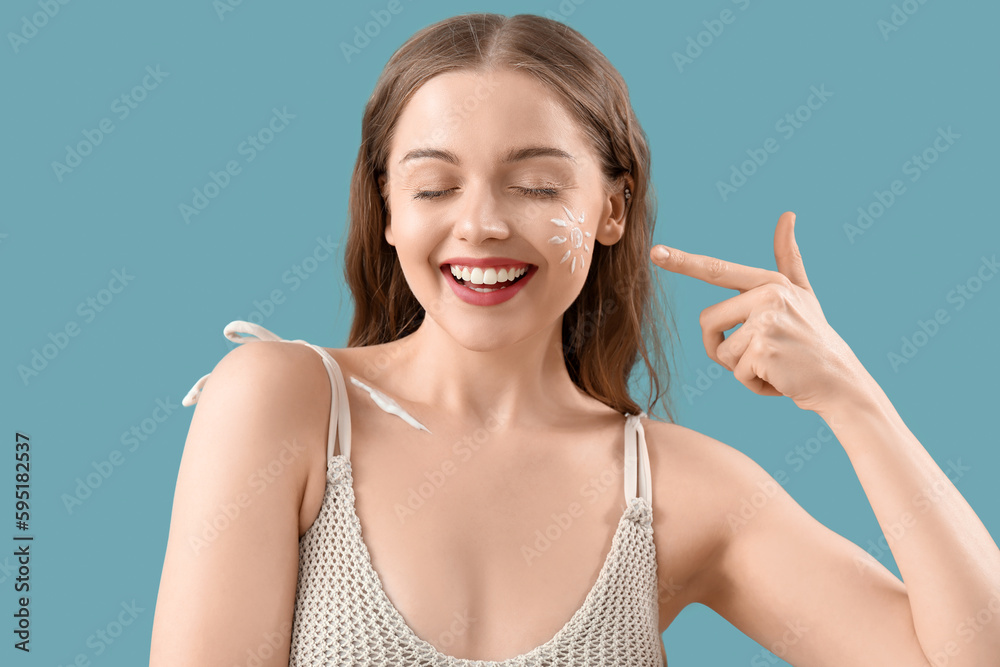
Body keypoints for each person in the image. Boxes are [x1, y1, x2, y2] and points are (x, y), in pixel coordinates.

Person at [149, 12, 1000, 666]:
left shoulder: (676, 490)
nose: (480, 224)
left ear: (611, 209)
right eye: (435, 185)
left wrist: (853, 400)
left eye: (535, 184)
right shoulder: (280, 401)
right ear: (388, 213)